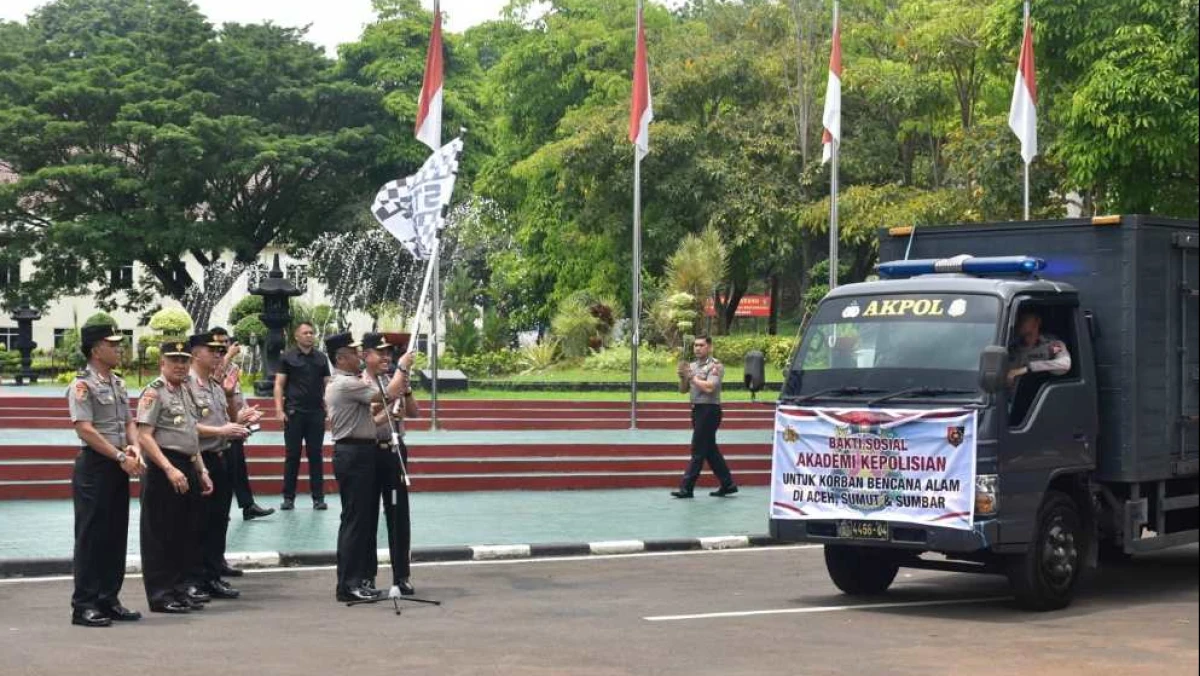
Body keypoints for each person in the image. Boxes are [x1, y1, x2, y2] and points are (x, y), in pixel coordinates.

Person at [67, 324, 144, 627]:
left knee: (115, 534)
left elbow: (129, 422)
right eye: (112, 345)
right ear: (96, 350)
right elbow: (84, 429)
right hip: (96, 466)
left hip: (119, 463)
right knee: (91, 536)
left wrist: (135, 448)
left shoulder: (117, 383)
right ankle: (84, 604)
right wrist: (120, 456)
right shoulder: (81, 385)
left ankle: (108, 599)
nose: (118, 349)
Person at [323, 332, 408, 603]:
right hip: (354, 454)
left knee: (358, 520)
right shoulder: (347, 383)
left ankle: (355, 580)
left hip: (359, 451)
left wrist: (389, 414)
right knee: (355, 521)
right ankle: (348, 584)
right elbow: (387, 393)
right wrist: (403, 367)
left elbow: (370, 421)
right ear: (340, 358)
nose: (358, 355)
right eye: (353, 352)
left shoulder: (347, 383)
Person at [137, 340, 214, 614]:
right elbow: (144, 436)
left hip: (187, 463)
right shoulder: (154, 392)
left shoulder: (185, 391)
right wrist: (168, 468)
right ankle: (161, 594)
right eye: (174, 360)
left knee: (184, 532)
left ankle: (179, 589)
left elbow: (190, 434)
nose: (180, 366)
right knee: (160, 533)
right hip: (164, 467)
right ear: (162, 363)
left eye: (184, 360)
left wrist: (201, 469)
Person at [184, 332, 253, 600]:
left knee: (217, 520)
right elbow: (187, 426)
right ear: (195, 354)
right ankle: (193, 578)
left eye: (220, 350)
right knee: (196, 522)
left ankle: (212, 575)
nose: (218, 354)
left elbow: (229, 419)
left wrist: (235, 404)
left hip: (220, 456)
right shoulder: (186, 385)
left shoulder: (215, 385)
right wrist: (221, 430)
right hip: (198, 458)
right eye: (211, 350)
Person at [361, 333, 419, 596]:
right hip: (371, 452)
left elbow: (414, 412)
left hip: (394, 452)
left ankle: (401, 575)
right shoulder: (361, 383)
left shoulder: (392, 380)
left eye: (388, 353)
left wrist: (407, 390)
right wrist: (390, 410)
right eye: (380, 353)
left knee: (397, 513)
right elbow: (370, 419)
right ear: (366, 355)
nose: (386, 357)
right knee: (368, 515)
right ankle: (366, 576)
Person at [210, 326, 273, 523]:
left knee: (238, 467)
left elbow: (236, 395)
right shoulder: (212, 366)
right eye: (219, 343)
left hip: (235, 422)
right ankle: (222, 510)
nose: (223, 347)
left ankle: (247, 506)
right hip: (219, 427)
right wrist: (228, 355)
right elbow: (214, 382)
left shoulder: (234, 368)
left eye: (226, 342)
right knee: (225, 470)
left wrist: (248, 412)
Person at [672, 336, 738, 499]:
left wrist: (692, 377)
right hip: (697, 410)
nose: (697, 348)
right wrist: (683, 377)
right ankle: (728, 484)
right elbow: (683, 390)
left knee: (698, 449)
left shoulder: (715, 366)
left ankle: (687, 488)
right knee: (710, 450)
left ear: (709, 347)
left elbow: (709, 388)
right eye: (695, 345)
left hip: (710, 410)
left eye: (701, 345)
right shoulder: (692, 366)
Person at [274, 321, 331, 511]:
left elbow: (328, 384)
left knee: (316, 455)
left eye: (312, 333)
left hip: (316, 413)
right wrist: (279, 410)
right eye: (305, 333)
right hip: (294, 413)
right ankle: (288, 498)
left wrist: (330, 407)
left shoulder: (321, 358)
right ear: (296, 336)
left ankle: (318, 498)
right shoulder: (287, 357)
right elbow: (279, 385)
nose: (309, 335)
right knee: (292, 456)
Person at [1007, 310, 1072, 388]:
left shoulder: (1051, 346)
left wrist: (1027, 368)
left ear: (1037, 321)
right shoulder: (1009, 346)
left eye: (1025, 319)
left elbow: (1064, 364)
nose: (1019, 322)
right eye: (1018, 318)